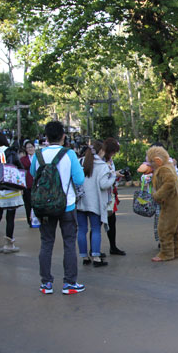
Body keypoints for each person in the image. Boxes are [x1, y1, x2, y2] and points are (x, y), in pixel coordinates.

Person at [30, 121, 85, 295]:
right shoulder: (69, 154)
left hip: (44, 206)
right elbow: (79, 180)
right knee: (69, 243)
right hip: (66, 205)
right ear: (63, 136)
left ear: (45, 136)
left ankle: (46, 283)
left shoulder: (37, 155)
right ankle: (69, 283)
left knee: (46, 243)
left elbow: (33, 174)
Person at [76, 140, 116, 267]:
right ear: (101, 151)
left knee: (81, 230)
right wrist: (113, 176)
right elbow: (104, 185)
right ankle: (96, 257)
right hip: (95, 203)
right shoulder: (103, 166)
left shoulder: (80, 162)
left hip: (80, 202)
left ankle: (84, 257)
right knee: (95, 229)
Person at [0, 133, 24, 254]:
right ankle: (8, 245)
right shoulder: (10, 152)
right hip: (10, 189)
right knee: (10, 217)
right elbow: (19, 166)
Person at [147, 146, 178, 262]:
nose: (150, 165)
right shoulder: (169, 166)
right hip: (176, 203)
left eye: (151, 163)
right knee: (174, 229)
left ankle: (166, 253)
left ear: (157, 161)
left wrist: (157, 195)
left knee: (164, 229)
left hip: (170, 205)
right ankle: (176, 251)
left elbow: (169, 183)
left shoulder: (163, 169)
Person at [102, 138, 126, 256]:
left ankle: (113, 246)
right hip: (102, 195)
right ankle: (94, 250)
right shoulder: (100, 161)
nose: (114, 154)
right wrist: (114, 175)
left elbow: (111, 176)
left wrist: (118, 175)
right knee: (98, 223)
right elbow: (103, 178)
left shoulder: (110, 161)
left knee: (112, 220)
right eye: (113, 151)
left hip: (110, 194)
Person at [20, 140, 36, 227]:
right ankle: (30, 220)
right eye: (28, 147)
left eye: (31, 147)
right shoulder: (23, 160)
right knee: (28, 204)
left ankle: (38, 219)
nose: (30, 149)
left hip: (37, 184)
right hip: (27, 184)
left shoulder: (38, 157)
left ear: (34, 147)